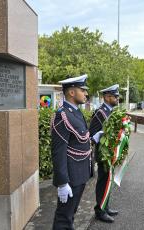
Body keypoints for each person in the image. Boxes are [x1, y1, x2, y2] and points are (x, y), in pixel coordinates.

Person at [51, 74, 92, 229]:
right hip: (70, 176)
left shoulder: (75, 112)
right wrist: (62, 183)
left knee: (70, 215)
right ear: (71, 92)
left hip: (79, 173)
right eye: (83, 90)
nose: (86, 94)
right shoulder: (62, 115)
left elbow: (80, 140)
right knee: (63, 218)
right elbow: (58, 151)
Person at [89, 84, 120, 223]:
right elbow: (92, 135)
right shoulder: (100, 113)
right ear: (107, 97)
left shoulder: (111, 111)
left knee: (108, 181)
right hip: (103, 155)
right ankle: (99, 211)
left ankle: (105, 206)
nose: (117, 98)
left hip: (111, 153)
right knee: (103, 182)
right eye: (115, 96)